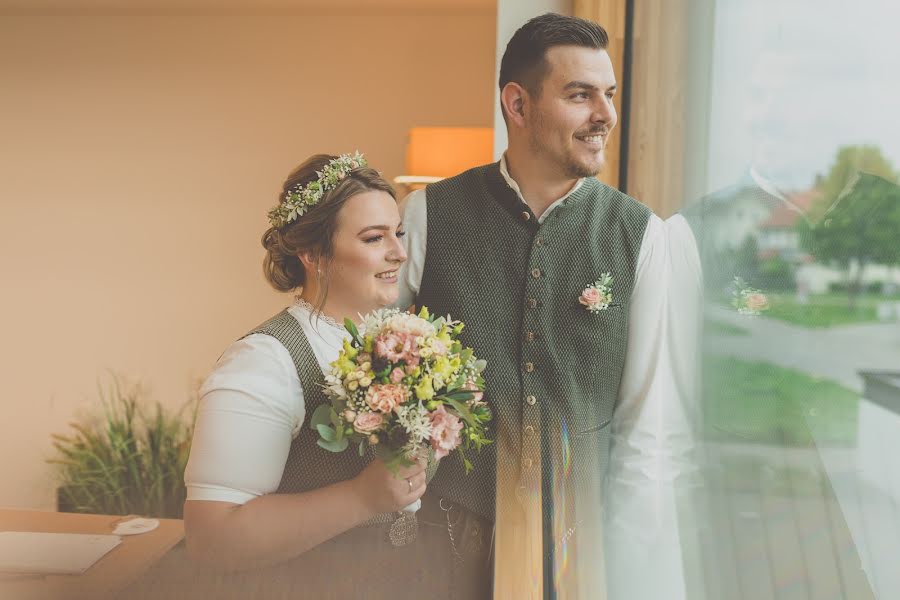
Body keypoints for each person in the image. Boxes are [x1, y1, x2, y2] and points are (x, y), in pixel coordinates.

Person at [397, 13, 678, 598]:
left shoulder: (640, 236)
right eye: (580, 95)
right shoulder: (428, 215)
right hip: (440, 548)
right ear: (518, 106)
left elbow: (644, 429)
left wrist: (624, 572)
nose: (606, 115)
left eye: (609, 94)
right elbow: (390, 386)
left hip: (576, 559)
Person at [156, 153, 435, 597]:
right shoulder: (263, 362)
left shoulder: (394, 341)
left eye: (397, 233)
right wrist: (362, 498)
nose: (399, 253)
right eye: (373, 238)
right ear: (313, 255)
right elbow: (212, 540)